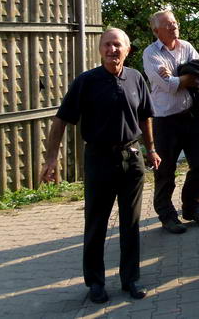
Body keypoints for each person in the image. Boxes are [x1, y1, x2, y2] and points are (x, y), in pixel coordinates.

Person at [40, 28, 161, 303]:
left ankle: (130, 279)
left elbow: (146, 116)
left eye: (117, 45)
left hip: (132, 159)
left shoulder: (136, 78)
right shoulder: (86, 81)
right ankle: (95, 283)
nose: (112, 50)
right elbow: (61, 120)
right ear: (100, 50)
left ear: (127, 50)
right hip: (98, 159)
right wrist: (51, 158)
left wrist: (151, 149)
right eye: (107, 45)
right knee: (96, 223)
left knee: (131, 224)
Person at [143, 10, 199, 234]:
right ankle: (167, 215)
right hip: (165, 121)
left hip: (191, 116)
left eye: (174, 22)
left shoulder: (186, 46)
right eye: (167, 25)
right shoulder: (150, 53)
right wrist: (184, 77)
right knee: (165, 171)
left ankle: (191, 206)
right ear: (156, 31)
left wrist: (179, 77)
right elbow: (168, 85)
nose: (174, 27)